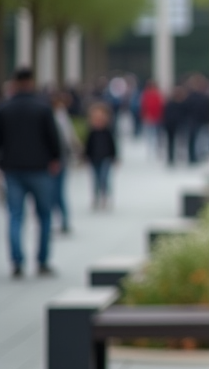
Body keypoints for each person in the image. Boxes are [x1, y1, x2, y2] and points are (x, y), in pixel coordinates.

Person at [0, 68, 62, 277]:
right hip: (39, 168)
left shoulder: (5, 108)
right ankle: (42, 260)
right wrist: (55, 159)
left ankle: (17, 261)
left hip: (13, 168)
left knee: (15, 216)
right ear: (31, 82)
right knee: (44, 215)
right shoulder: (42, 107)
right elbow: (53, 137)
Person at [50, 92, 81, 234]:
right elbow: (69, 137)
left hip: (56, 160)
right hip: (57, 160)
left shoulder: (60, 116)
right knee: (57, 193)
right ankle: (61, 221)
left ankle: (61, 221)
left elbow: (69, 136)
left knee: (56, 193)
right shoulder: (59, 117)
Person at [84, 102, 119, 210]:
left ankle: (105, 197)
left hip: (106, 157)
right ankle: (96, 197)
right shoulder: (92, 132)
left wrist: (114, 157)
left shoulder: (107, 132)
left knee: (104, 178)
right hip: (94, 158)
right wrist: (85, 156)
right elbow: (88, 145)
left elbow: (112, 145)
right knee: (95, 179)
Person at [162, 85, 187, 165]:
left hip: (170, 124)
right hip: (178, 125)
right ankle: (178, 157)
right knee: (180, 142)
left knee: (171, 142)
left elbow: (165, 114)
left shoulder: (170, 103)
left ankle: (171, 157)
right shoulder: (183, 104)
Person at [139, 79, 165, 150]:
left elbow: (159, 106)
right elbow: (143, 106)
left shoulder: (157, 94)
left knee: (155, 133)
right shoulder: (146, 94)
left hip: (156, 117)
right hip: (149, 117)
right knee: (149, 133)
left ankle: (155, 146)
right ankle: (150, 146)